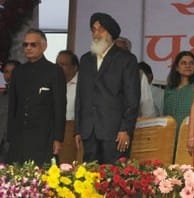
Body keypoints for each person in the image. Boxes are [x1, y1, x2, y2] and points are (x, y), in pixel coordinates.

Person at [75, 13, 141, 164]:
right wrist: (78, 129)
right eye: (93, 30)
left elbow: (132, 98)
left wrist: (125, 129)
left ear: (111, 33)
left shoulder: (126, 59)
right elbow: (81, 96)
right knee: (89, 179)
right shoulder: (86, 59)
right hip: (89, 130)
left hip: (115, 132)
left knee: (113, 179)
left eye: (101, 30)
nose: (96, 34)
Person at [6, 29, 66, 165]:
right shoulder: (18, 72)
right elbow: (12, 107)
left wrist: (58, 138)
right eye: (25, 45)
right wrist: (10, 136)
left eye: (33, 45)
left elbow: (60, 107)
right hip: (20, 136)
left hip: (44, 137)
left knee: (42, 179)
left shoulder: (54, 71)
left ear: (44, 46)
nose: (28, 48)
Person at [163, 51, 194, 127]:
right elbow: (165, 115)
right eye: (183, 63)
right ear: (176, 68)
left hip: (191, 132)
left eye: (191, 63)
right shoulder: (169, 89)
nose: (188, 66)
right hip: (170, 133)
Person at [0, 60, 16, 162]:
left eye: (12, 71)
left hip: (15, 143)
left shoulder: (24, 96)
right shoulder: (2, 96)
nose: (9, 75)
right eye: (6, 71)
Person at [56, 50, 79, 121]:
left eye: (63, 65)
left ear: (74, 67)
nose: (58, 68)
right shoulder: (53, 83)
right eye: (57, 64)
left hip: (73, 129)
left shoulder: (82, 85)